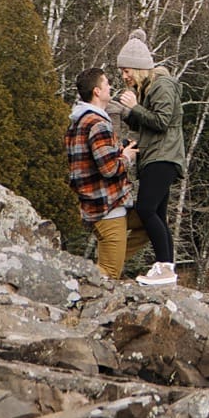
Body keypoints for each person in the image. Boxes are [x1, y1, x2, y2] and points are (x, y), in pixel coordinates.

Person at [116, 29, 184, 288]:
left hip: (163, 157)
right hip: (154, 156)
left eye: (126, 71)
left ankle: (165, 267)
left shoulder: (162, 85)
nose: (124, 76)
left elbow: (162, 121)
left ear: (138, 68)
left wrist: (134, 108)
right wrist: (128, 112)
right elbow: (145, 122)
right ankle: (166, 269)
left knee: (145, 209)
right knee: (158, 212)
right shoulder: (146, 89)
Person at [65, 67, 138, 280]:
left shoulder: (79, 121)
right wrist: (127, 157)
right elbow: (109, 169)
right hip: (107, 207)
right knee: (108, 273)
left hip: (96, 205)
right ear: (97, 91)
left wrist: (120, 148)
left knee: (148, 223)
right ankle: (69, 286)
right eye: (106, 83)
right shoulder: (98, 124)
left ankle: (110, 258)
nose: (110, 87)